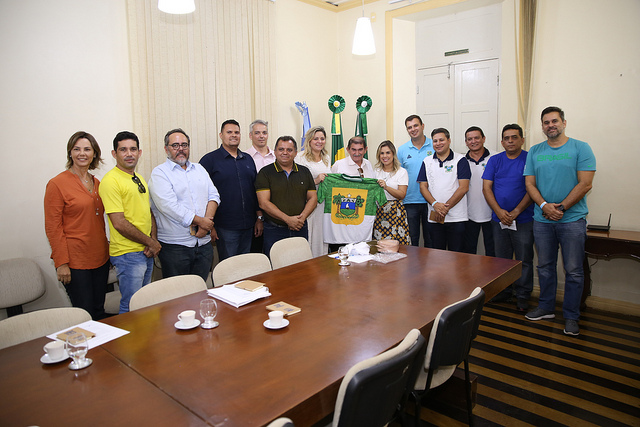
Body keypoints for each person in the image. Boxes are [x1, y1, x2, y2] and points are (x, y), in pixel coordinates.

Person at [523, 106, 596, 336]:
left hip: (572, 219)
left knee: (574, 270)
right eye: (546, 122)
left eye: (554, 121)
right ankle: (546, 307)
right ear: (542, 126)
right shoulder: (535, 151)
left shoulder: (580, 148)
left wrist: (561, 207)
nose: (550, 125)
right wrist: (545, 206)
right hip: (542, 220)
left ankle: (572, 316)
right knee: (544, 266)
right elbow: (530, 184)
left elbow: (585, 184)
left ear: (564, 123)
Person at [44, 131, 110, 320]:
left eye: (87, 149)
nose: (82, 153)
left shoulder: (97, 183)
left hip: (100, 258)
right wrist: (61, 263)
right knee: (84, 315)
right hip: (75, 262)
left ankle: (102, 349)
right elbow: (52, 227)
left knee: (99, 311)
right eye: (77, 149)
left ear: (94, 154)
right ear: (70, 153)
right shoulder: (57, 184)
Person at [99, 131, 161, 313]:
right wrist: (151, 242)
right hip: (127, 255)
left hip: (145, 250)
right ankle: (128, 342)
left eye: (133, 149)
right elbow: (119, 222)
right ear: (114, 154)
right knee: (130, 306)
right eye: (123, 150)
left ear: (139, 152)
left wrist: (153, 241)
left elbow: (148, 212)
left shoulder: (138, 178)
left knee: (143, 304)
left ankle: (142, 341)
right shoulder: (111, 181)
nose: (129, 154)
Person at [149, 128, 221, 282]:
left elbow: (214, 195)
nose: (180, 149)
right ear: (166, 148)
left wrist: (206, 223)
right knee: (177, 296)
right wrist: (202, 222)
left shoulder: (199, 169)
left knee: (200, 289)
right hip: (175, 247)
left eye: (184, 145)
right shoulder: (159, 173)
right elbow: (169, 206)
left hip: (203, 244)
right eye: (175, 145)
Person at [482, 124, 534, 311]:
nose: (510, 141)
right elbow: (486, 188)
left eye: (514, 137)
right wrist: (499, 212)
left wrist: (517, 211)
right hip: (499, 220)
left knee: (523, 260)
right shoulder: (495, 160)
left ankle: (522, 296)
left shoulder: (530, 159)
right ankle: (503, 292)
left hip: (524, 219)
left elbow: (532, 188)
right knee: (501, 260)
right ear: (502, 141)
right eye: (507, 138)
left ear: (522, 139)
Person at [200, 120, 263, 261]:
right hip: (224, 227)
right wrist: (210, 226)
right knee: (229, 268)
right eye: (229, 132)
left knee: (245, 266)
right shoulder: (209, 160)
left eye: (236, 132)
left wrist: (259, 218)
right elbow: (201, 195)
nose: (233, 135)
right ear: (221, 135)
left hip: (249, 226)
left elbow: (255, 191)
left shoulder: (247, 159)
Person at [255, 136, 317, 257]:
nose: (285, 153)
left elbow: (313, 198)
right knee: (276, 269)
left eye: (289, 150)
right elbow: (263, 203)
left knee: (300, 264)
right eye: (281, 149)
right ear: (275, 152)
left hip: (300, 227)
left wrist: (301, 219)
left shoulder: (304, 172)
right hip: (274, 230)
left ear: (295, 153)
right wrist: (288, 220)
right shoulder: (265, 173)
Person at [417, 128, 470, 251]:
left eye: (441, 140)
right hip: (435, 218)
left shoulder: (460, 160)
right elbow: (423, 187)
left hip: (457, 218)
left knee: (457, 257)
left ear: (449, 140)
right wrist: (435, 205)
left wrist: (445, 208)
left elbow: (464, 187)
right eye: (435, 141)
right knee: (437, 256)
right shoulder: (427, 161)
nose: (438, 143)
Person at [398, 115, 434, 247]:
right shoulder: (402, 150)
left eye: (416, 125)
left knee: (431, 239)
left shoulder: (435, 145)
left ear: (422, 126)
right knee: (412, 239)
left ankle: (430, 268)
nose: (413, 129)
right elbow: (398, 175)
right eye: (409, 127)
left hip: (431, 201)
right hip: (409, 201)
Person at [295, 126, 331, 257]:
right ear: (309, 140)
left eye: (322, 138)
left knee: (321, 236)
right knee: (309, 235)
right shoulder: (300, 157)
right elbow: (296, 183)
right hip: (308, 204)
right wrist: (316, 180)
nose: (319, 141)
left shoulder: (326, 157)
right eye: (316, 138)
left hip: (323, 205)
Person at [463, 126, 495, 256]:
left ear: (483, 139)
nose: (473, 141)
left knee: (493, 252)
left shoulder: (495, 157)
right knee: (469, 252)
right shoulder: (461, 160)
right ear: (466, 142)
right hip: (468, 214)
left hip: (493, 213)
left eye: (476, 138)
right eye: (469, 139)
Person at [373, 140, 410, 244]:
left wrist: (386, 187)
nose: (385, 156)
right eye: (382, 153)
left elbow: (402, 194)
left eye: (388, 152)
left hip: (395, 213)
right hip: (379, 212)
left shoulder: (401, 172)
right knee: (380, 245)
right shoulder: (376, 171)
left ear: (393, 154)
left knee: (397, 246)